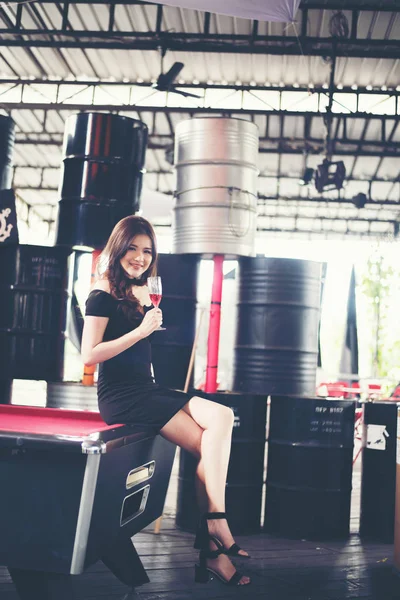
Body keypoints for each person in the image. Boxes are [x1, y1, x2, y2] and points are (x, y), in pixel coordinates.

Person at [81, 215, 250, 587]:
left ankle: (213, 532)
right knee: (211, 439)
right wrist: (142, 330)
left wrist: (146, 329)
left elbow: (142, 352)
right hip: (121, 396)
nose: (140, 257)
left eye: (147, 251)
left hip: (148, 388)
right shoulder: (102, 292)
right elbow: (89, 355)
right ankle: (215, 541)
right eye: (133, 248)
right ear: (118, 247)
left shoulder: (144, 290)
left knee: (221, 418)